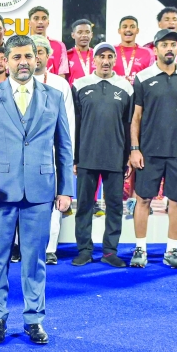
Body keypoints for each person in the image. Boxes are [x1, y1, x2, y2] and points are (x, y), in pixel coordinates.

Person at [0, 34, 74, 345]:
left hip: (41, 191)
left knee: (35, 260)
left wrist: (66, 189)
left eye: (28, 56)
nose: (23, 62)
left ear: (37, 59)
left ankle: (34, 319)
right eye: (16, 57)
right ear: (5, 61)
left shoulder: (54, 96)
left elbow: (64, 147)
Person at [128, 29, 177, 269]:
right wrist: (135, 149)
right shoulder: (143, 77)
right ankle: (140, 248)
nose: (170, 48)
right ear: (156, 48)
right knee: (142, 200)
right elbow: (136, 117)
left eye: (173, 44)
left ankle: (172, 250)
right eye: (165, 44)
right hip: (149, 151)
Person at [71, 43, 134, 267]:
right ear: (94, 59)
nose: (105, 61)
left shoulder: (126, 87)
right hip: (87, 156)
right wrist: (74, 157)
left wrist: (128, 155)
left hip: (115, 156)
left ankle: (110, 251)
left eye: (109, 56)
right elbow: (74, 124)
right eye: (101, 56)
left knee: (115, 206)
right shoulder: (79, 85)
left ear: (115, 60)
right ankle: (84, 250)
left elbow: (129, 124)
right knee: (85, 205)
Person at [28, 35, 75, 266]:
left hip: (53, 153)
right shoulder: (17, 82)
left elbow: (69, 124)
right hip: (24, 154)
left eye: (40, 52)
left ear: (48, 56)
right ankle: (20, 246)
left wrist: (68, 156)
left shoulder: (60, 84)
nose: (36, 56)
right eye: (31, 52)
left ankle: (50, 248)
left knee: (54, 200)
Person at [143, 7, 177, 75]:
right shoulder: (148, 49)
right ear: (159, 24)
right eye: (167, 19)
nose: (171, 22)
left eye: (174, 19)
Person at [28, 6, 69, 77]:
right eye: (36, 18)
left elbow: (62, 74)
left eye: (44, 18)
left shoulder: (59, 46)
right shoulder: (22, 45)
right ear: (29, 23)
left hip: (52, 87)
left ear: (48, 23)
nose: (40, 22)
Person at [113, 15, 154, 82]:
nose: (128, 29)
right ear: (119, 31)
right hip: (115, 91)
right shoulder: (111, 51)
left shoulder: (147, 53)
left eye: (132, 27)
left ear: (137, 30)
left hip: (139, 92)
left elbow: (151, 78)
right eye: (125, 27)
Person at [66, 19, 95, 85]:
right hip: (74, 94)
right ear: (73, 35)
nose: (84, 35)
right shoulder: (67, 56)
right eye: (80, 32)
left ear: (91, 35)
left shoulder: (97, 55)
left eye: (87, 32)